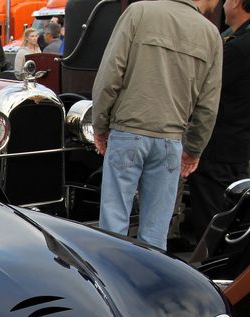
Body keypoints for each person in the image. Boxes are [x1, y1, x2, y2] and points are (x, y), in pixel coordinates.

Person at [92, 0, 222, 251]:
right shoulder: (210, 33)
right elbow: (209, 102)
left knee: (113, 225)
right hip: (171, 139)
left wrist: (100, 125)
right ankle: (149, 285)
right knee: (155, 232)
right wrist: (194, 148)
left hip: (128, 130)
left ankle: (111, 284)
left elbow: (109, 76)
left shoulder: (139, 12)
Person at [187, 0, 250, 240]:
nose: (222, 5)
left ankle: (212, 271)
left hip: (220, 148)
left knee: (212, 222)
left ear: (237, 3)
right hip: (237, 144)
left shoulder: (243, 46)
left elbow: (204, 86)